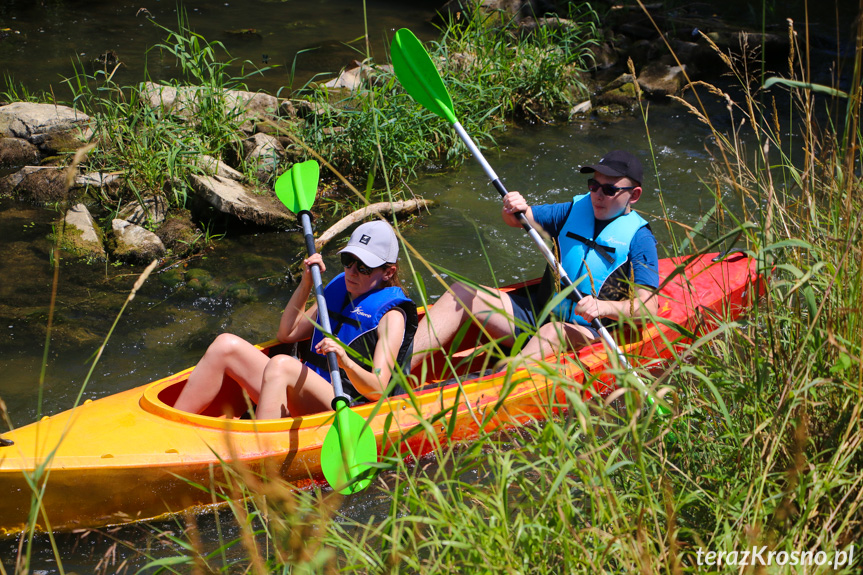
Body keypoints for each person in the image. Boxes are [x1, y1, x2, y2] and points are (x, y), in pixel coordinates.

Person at [411, 150, 659, 367]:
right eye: (593, 185)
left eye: (609, 189)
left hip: (589, 332)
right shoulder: (573, 210)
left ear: (634, 195)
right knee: (461, 293)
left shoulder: (640, 238)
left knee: (554, 332)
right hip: (540, 314)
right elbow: (518, 218)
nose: (598, 195)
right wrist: (512, 207)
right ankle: (393, 374)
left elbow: (648, 308)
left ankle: (496, 384)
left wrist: (603, 307)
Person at [174, 220, 418, 419]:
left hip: (346, 407)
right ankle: (174, 425)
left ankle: (261, 455)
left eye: (364, 267)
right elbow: (287, 333)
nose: (352, 272)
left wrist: (345, 361)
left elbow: (378, 388)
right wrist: (306, 283)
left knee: (283, 364)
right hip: (306, 390)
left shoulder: (391, 316)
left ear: (388, 272)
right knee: (225, 345)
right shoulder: (336, 290)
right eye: (348, 261)